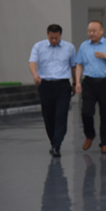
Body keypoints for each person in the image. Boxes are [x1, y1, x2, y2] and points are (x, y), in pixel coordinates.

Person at [74, 21, 106, 154]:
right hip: (89, 82)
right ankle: (89, 135)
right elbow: (79, 64)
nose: (91, 33)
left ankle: (105, 143)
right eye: (89, 31)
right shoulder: (84, 46)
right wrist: (77, 82)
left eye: (94, 31)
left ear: (101, 31)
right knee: (86, 111)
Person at [29, 24, 77, 157]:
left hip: (63, 86)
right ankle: (54, 142)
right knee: (48, 117)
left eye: (56, 38)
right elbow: (32, 62)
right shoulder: (38, 46)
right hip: (46, 85)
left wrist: (75, 83)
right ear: (47, 35)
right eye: (51, 38)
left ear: (60, 35)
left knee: (61, 116)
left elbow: (73, 66)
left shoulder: (69, 48)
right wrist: (35, 75)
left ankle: (57, 145)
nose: (54, 40)